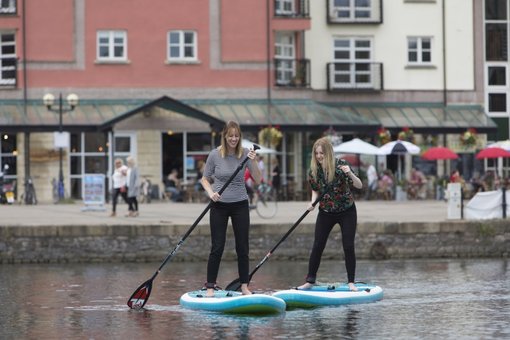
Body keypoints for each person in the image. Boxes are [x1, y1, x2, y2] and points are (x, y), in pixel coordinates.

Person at [201, 120, 261, 296]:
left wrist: (254, 162)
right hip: (219, 205)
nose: (233, 139)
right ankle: (210, 286)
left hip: (240, 205)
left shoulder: (245, 154)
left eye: (236, 136)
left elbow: (257, 179)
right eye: (230, 136)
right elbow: (205, 179)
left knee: (242, 247)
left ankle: (244, 286)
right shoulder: (214, 155)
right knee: (217, 246)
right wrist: (211, 193)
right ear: (225, 136)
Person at [297, 137, 363, 292]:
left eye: (322, 153)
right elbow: (315, 189)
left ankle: (351, 282)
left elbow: (359, 185)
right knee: (318, 245)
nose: (319, 156)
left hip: (347, 210)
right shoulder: (314, 170)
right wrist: (312, 202)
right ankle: (310, 280)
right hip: (326, 211)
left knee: (348, 245)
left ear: (329, 153)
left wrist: (350, 174)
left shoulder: (341, 165)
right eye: (317, 153)